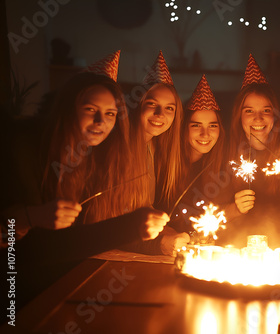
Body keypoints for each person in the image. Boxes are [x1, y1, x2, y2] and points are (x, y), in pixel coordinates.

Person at [0, 51, 169, 310]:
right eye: (90, 109)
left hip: (63, 287)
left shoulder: (93, 159)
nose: (101, 121)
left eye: (110, 114)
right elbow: (30, 253)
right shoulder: (23, 151)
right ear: (68, 109)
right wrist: (29, 217)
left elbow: (79, 239)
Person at [122, 51, 189, 255]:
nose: (160, 115)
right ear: (137, 105)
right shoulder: (120, 152)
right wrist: (158, 243)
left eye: (169, 108)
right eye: (152, 104)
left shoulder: (156, 150)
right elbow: (108, 226)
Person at [220, 54, 280, 248]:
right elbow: (208, 212)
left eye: (266, 110)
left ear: (275, 115)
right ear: (238, 116)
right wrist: (234, 209)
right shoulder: (225, 155)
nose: (258, 119)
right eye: (249, 111)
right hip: (233, 247)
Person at [167, 74, 228, 240]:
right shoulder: (166, 166)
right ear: (183, 127)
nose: (205, 134)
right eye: (196, 125)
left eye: (212, 126)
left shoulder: (219, 167)